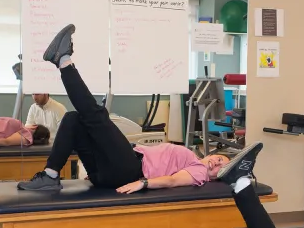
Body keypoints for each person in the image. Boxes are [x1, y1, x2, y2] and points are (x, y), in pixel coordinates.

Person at [17, 24, 229, 192]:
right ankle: (51, 176)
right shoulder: (194, 158)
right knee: (73, 118)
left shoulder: (199, 171)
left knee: (96, 116)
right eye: (219, 158)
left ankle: (63, 60)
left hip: (130, 172)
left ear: (218, 175)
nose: (215, 163)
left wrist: (144, 183)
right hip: (114, 169)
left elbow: (173, 181)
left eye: (221, 166)